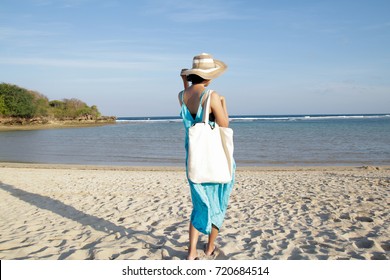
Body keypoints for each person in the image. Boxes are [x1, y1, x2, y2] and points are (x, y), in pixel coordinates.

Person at [178, 53, 235, 260]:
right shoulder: (211, 95)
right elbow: (224, 124)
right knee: (217, 202)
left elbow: (190, 97)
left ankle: (192, 252)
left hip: (194, 158)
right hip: (215, 157)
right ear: (209, 77)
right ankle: (210, 247)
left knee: (199, 204)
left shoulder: (182, 96)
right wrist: (224, 102)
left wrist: (184, 80)